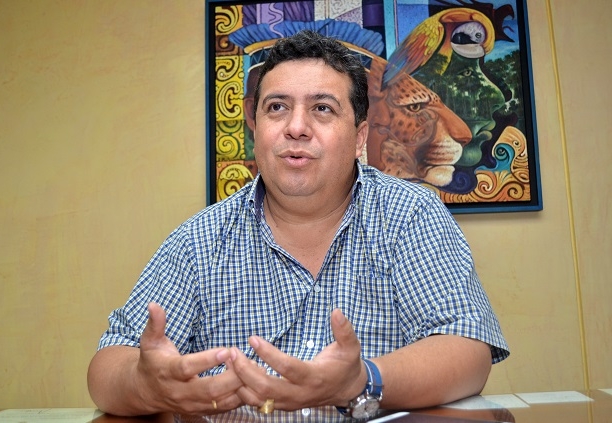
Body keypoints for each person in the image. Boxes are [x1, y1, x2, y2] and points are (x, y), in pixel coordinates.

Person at [87, 30, 509, 419]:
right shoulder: (199, 240)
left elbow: (467, 351)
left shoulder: (410, 215)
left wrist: (361, 381)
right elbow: (107, 367)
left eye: (322, 109)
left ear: (360, 136)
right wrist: (145, 385)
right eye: (277, 108)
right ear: (254, 125)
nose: (296, 128)